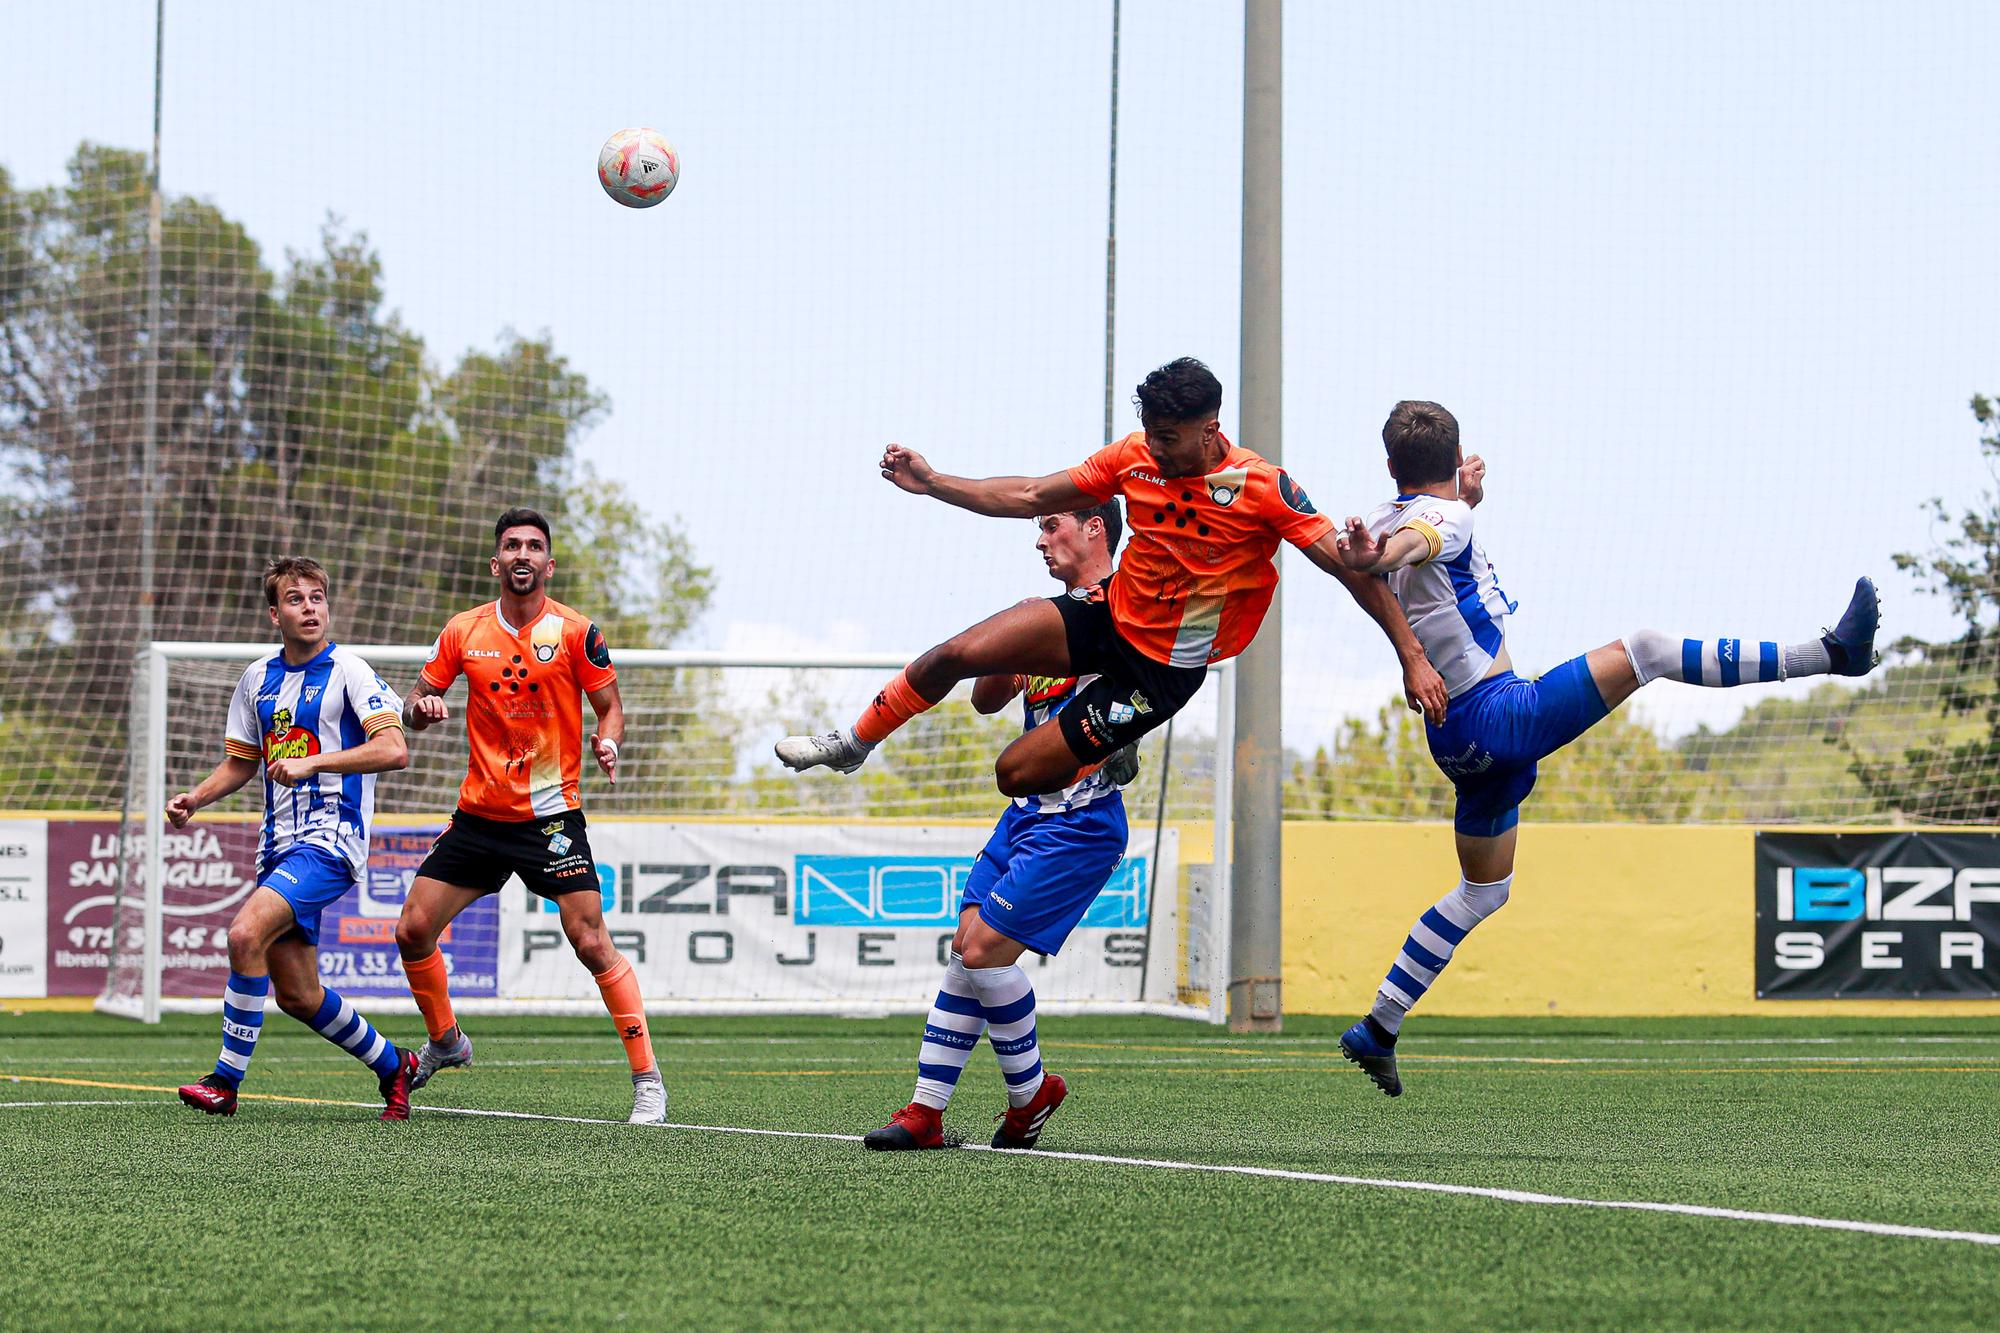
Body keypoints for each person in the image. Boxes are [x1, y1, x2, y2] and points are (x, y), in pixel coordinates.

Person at [1332, 401, 1880, 1096]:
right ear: (1458, 453)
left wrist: (1383, 550)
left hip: (1455, 739)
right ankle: (1832, 653)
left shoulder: (1386, 516)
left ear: (1391, 468)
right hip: (1498, 716)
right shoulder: (1441, 520)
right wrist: (1414, 534)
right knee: (1645, 651)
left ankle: (1379, 1024)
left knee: (1484, 889)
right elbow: (1420, 537)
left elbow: (1404, 542)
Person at [777, 358, 1447, 800]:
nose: (1154, 446)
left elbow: (1349, 571)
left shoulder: (1263, 487)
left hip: (1161, 674)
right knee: (956, 654)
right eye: (1149, 433)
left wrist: (1412, 656)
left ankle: (1111, 744)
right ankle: (853, 743)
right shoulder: (1132, 457)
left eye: (1169, 436)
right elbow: (1032, 493)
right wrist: (933, 483)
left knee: (1015, 774)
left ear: (1210, 427)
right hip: (1107, 620)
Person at [865, 502, 1141, 1152]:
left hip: (1081, 819)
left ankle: (1030, 1093)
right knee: (966, 946)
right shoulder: (1047, 619)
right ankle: (930, 1112)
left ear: (1095, 528)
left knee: (985, 950)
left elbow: (1146, 695)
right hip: (1025, 815)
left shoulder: (1126, 613)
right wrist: (1007, 652)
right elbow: (986, 700)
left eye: (1054, 527)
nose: (1041, 540)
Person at [394, 507, 666, 1125]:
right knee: (412, 929)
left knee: (590, 940)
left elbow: (610, 708)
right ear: (497, 563)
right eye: (512, 546)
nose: (523, 555)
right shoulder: (463, 631)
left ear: (549, 563)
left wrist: (609, 741)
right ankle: (445, 1041)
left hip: (550, 813)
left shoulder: (576, 632)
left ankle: (648, 1080)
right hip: (480, 816)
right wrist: (423, 707)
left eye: (534, 547)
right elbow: (413, 701)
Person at [171, 557, 418, 1120]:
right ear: (274, 615)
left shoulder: (352, 671)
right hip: (277, 844)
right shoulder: (257, 679)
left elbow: (394, 750)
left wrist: (315, 764)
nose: (309, 608)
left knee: (243, 934)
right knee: (300, 995)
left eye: (317, 597)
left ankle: (226, 1083)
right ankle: (393, 1065)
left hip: (332, 839)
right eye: (295, 599)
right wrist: (195, 799)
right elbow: (240, 764)